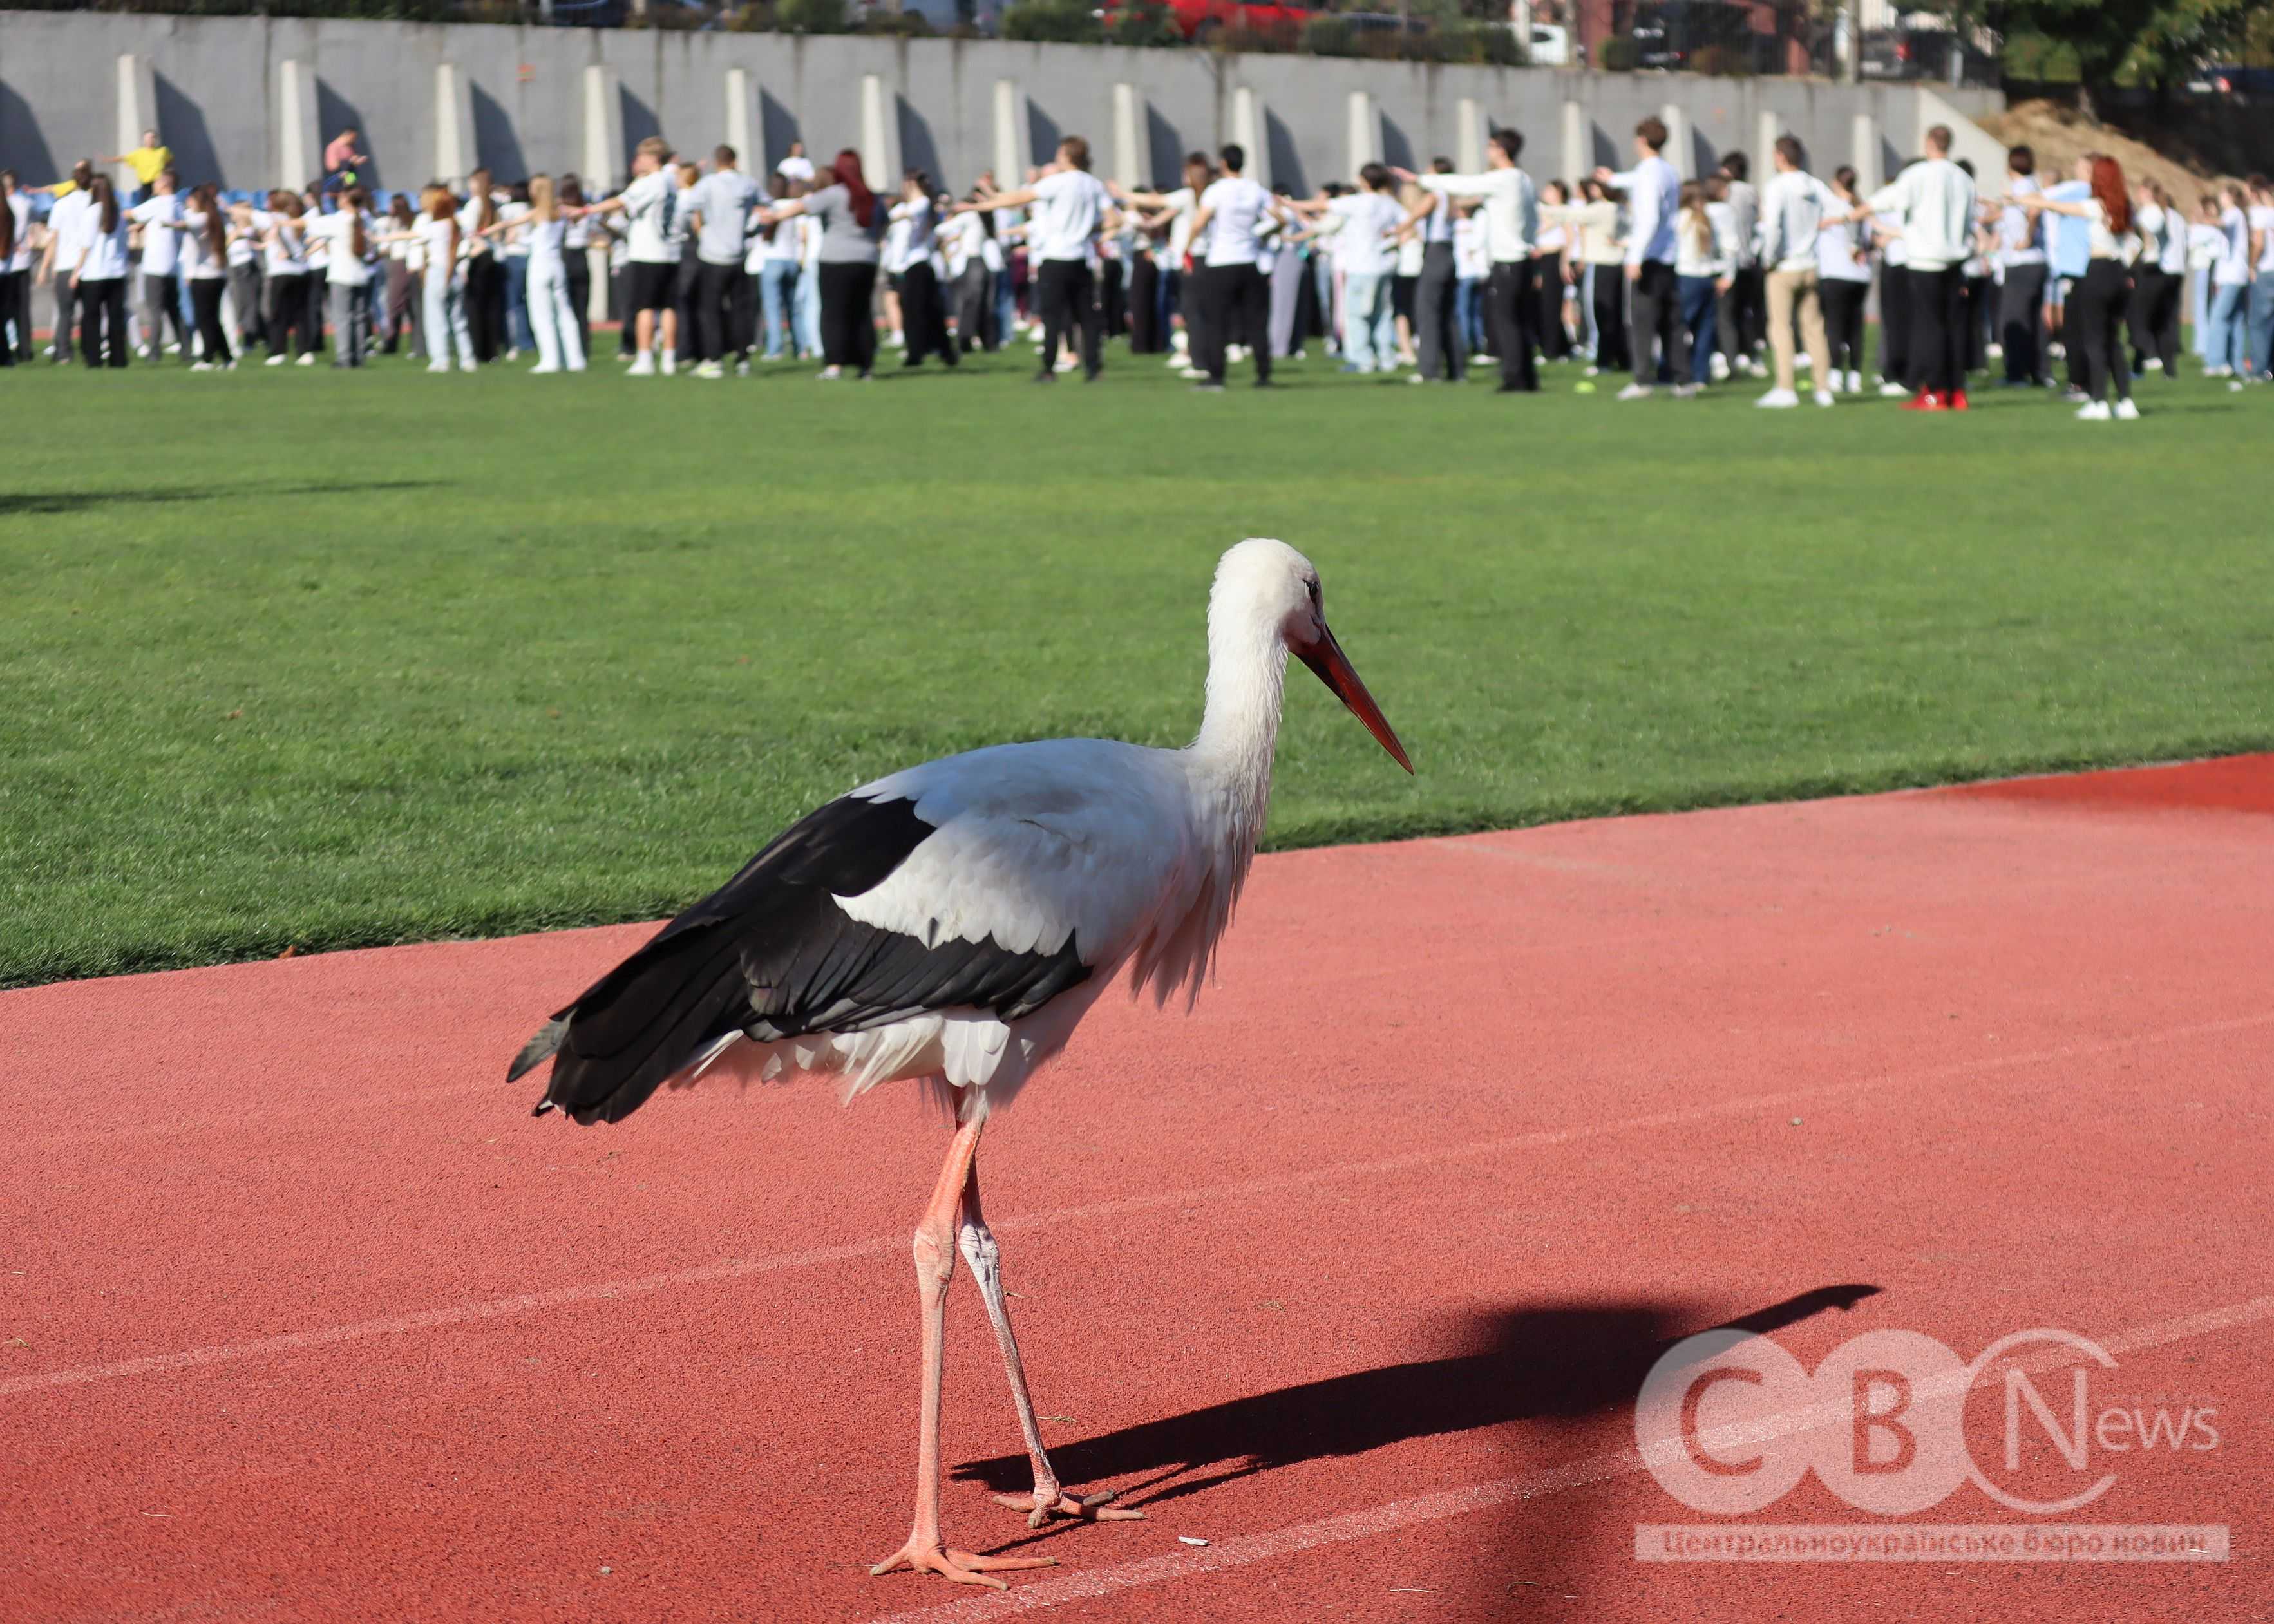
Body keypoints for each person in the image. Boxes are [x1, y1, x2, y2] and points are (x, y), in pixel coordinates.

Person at [1833, 125, 1978, 411]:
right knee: (1952, 326)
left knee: (1929, 327)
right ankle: (1956, 390)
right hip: (1956, 258)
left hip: (1926, 260)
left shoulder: (1918, 174)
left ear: (1928, 144)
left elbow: (1884, 200)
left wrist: (1848, 216)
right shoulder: (1963, 178)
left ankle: (1934, 390)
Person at [964, 137, 1113, 384]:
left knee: (1052, 316)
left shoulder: (1057, 182)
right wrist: (1089, 229)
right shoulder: (1094, 185)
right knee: (1086, 316)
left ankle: (1048, 368)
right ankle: (1093, 367)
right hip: (1080, 258)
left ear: (1066, 155)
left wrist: (983, 205)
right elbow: (1112, 219)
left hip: (1054, 257)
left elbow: (1020, 198)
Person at [1404, 127, 1539, 393]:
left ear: (1501, 150)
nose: (1487, 152)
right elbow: (1533, 216)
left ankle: (1514, 379)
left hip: (1507, 259)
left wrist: (1424, 180)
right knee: (1520, 320)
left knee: (1507, 321)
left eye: (1490, 147)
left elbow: (1466, 185)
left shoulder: (1504, 178)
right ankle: (1527, 378)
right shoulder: (1523, 179)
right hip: (1521, 257)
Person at [2019, 155, 2137, 420]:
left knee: (2094, 340)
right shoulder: (2125, 206)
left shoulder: (2097, 206)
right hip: (2118, 273)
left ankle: (2099, 402)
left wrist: (2022, 200)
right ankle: (2126, 401)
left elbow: (2054, 205)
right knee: (2113, 341)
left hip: (2097, 272)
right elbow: (2137, 242)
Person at [759, 149, 884, 381]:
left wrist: (775, 217)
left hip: (836, 259)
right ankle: (866, 366)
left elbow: (804, 206)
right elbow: (882, 223)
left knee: (833, 313)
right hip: (866, 260)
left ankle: (834, 364)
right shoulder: (871, 196)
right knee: (862, 313)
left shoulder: (836, 193)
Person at [1184, 142, 1285, 390]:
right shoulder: (1255, 189)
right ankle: (1263, 374)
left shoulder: (1217, 190)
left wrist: (1187, 247)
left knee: (1216, 322)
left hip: (1221, 261)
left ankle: (1216, 375)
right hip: (1249, 261)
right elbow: (1280, 218)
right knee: (1256, 322)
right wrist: (1260, 234)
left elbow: (1199, 223)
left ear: (1223, 164)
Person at [578, 138, 681, 375]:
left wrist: (587, 211)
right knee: (668, 308)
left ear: (654, 158)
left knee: (644, 307)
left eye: (643, 156)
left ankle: (644, 358)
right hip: (670, 252)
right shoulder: (670, 179)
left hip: (648, 252)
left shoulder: (651, 181)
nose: (639, 161)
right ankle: (668, 359)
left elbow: (621, 201)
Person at [1290, 164, 1404, 375]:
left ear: (1365, 181)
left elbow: (1322, 205)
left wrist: (1291, 203)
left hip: (1361, 266)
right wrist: (1392, 237)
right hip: (1383, 265)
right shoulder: (1389, 203)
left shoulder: (1358, 202)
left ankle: (1363, 360)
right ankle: (1387, 358)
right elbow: (1407, 221)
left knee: (1356, 316)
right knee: (1382, 314)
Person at [1597, 115, 1681, 399]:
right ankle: (1680, 378)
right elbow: (1639, 179)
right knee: (1671, 321)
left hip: (1649, 257)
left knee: (1642, 321)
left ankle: (1643, 379)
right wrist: (1614, 178)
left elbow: (1648, 218)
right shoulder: (1668, 171)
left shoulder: (1647, 172)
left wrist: (1635, 256)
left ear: (1642, 140)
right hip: (1669, 256)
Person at [1755, 135, 1836, 409]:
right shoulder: (1814, 185)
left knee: (1780, 328)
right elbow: (1838, 210)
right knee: (1814, 328)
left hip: (1785, 267)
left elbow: (1773, 227)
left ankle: (1786, 387)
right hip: (1810, 265)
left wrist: (1768, 257)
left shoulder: (1776, 186)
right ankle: (1823, 388)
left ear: (1780, 156)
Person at [484, 174, 583, 374]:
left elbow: (511, 226)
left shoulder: (538, 212)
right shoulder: (560, 211)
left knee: (542, 315)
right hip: (557, 266)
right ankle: (576, 360)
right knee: (565, 315)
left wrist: (498, 234)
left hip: (540, 266)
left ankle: (550, 360)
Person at [377, 184, 474, 372]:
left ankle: (441, 359)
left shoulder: (435, 226)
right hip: (454, 274)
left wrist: (381, 239)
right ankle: (467, 359)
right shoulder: (454, 225)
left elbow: (410, 235)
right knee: (458, 320)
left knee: (435, 319)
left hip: (438, 274)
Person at [685, 144, 761, 378]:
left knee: (710, 310)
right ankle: (742, 360)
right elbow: (766, 206)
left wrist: (698, 229)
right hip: (738, 256)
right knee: (740, 310)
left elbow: (685, 206)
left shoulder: (708, 184)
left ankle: (714, 359)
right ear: (734, 161)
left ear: (717, 162)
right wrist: (750, 229)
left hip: (712, 255)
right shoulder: (748, 184)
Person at [300, 183, 375, 366]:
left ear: (347, 200)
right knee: (358, 318)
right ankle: (359, 357)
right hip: (361, 275)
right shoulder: (366, 219)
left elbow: (311, 226)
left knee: (342, 318)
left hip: (342, 275)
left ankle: (344, 358)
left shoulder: (339, 220)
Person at [1992, 145, 2049, 388]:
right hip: (2034, 263)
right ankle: (2039, 372)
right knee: (2034, 320)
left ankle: (2016, 374)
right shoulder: (2031, 185)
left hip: (2022, 262)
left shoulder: (2023, 187)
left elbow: (2033, 211)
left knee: (2013, 319)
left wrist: (2027, 236)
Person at [889, 170, 957, 370]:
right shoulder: (908, 205)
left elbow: (903, 214)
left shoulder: (922, 203)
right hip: (909, 264)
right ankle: (932, 350)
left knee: (918, 310)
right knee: (919, 309)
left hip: (919, 263)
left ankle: (920, 352)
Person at [67, 175, 132, 367]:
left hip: (94, 273)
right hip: (116, 272)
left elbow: (86, 245)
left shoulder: (92, 212)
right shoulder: (118, 212)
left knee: (92, 318)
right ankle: (118, 359)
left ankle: (94, 358)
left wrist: (76, 271)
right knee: (116, 318)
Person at [1816, 166, 1871, 395]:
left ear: (1837, 183)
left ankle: (1836, 374)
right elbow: (1868, 240)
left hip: (1835, 272)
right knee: (1856, 326)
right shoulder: (1861, 207)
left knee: (1835, 325)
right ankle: (1856, 376)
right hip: (1860, 276)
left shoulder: (1829, 207)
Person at [166, 184, 232, 370]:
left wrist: (167, 223)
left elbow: (187, 223)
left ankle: (207, 358)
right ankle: (227, 357)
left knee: (205, 319)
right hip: (214, 276)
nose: (188, 202)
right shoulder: (215, 217)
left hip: (205, 277)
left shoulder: (204, 218)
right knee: (212, 319)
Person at [128, 169, 191, 363]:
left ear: (164, 183)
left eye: (156, 182)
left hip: (155, 265)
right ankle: (186, 350)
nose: (154, 185)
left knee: (155, 309)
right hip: (172, 265)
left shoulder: (157, 203)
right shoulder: (179, 205)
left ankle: (155, 351)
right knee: (174, 309)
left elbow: (132, 213)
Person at [1671, 179, 1727, 394]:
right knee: (1704, 329)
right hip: (1707, 278)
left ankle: (1676, 372)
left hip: (1686, 276)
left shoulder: (1679, 219)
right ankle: (1701, 375)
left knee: (1677, 327)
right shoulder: (1707, 220)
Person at [1715, 149, 1763, 378]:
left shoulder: (1728, 193)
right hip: (1749, 259)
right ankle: (1750, 355)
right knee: (1746, 312)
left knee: (1726, 315)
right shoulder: (1752, 192)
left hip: (1729, 261)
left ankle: (1729, 359)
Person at [42, 162, 96, 363]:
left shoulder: (61, 204)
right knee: (90, 312)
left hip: (65, 264)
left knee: (65, 312)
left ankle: (63, 352)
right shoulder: (94, 203)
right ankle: (90, 349)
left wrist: (47, 265)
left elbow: (53, 237)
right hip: (89, 266)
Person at [2203, 182, 2251, 379]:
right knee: (2236, 320)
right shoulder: (2233, 215)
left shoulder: (2233, 214)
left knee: (2218, 316)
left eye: (2223, 195)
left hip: (2233, 275)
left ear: (2231, 197)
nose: (2220, 198)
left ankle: (2217, 361)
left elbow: (2222, 223)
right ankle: (2237, 362)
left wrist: (2204, 220)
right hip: (2231, 275)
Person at [2244, 175, 2274, 384]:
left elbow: (2259, 243)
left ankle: (2258, 369)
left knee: (2258, 322)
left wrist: (2252, 265)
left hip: (2266, 270)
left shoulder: (2260, 214)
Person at [0, 171, 30, 365]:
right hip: (7, 271)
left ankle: (6, 356)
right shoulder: (9, 212)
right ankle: (8, 356)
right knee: (4, 317)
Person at [99, 129, 170, 203]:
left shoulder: (163, 151)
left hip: (160, 183)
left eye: (152, 137)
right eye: (148, 138)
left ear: (156, 139)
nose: (150, 140)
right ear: (144, 140)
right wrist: (107, 160)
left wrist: (166, 173)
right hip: (146, 185)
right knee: (145, 204)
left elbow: (169, 161)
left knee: (163, 203)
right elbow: (123, 158)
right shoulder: (138, 154)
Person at [323, 128, 369, 193]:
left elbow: (351, 166)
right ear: (347, 135)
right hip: (338, 186)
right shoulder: (333, 147)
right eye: (353, 138)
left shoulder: (349, 148)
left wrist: (357, 161)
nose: (354, 140)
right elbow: (332, 166)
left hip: (350, 183)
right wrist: (349, 162)